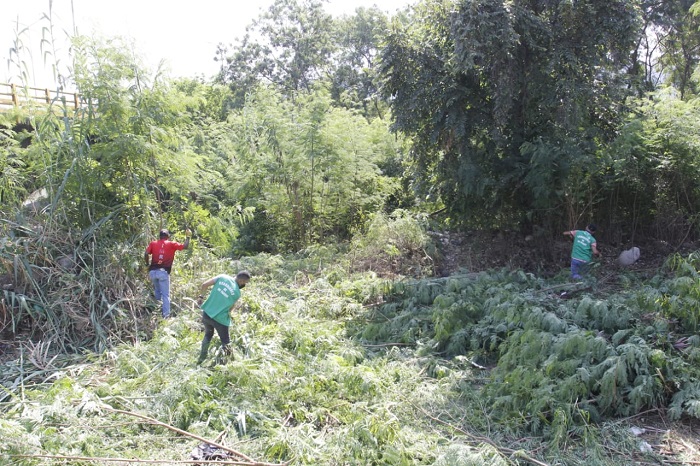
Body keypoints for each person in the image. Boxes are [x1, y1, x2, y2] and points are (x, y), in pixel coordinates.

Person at [197, 270, 251, 364]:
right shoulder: (237, 293)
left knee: (208, 335)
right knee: (226, 342)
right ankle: (227, 364)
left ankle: (202, 359)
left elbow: (204, 284)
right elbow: (230, 309)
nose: (244, 285)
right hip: (220, 320)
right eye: (245, 283)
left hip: (207, 313)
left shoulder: (222, 277)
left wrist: (201, 297)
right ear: (242, 281)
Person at [144, 228, 191, 318]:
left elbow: (146, 253)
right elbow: (185, 246)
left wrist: (147, 264)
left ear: (160, 236)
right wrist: (188, 237)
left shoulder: (153, 243)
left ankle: (156, 312)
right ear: (168, 236)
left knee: (157, 291)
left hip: (153, 272)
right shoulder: (171, 244)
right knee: (165, 295)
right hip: (163, 273)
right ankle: (166, 316)